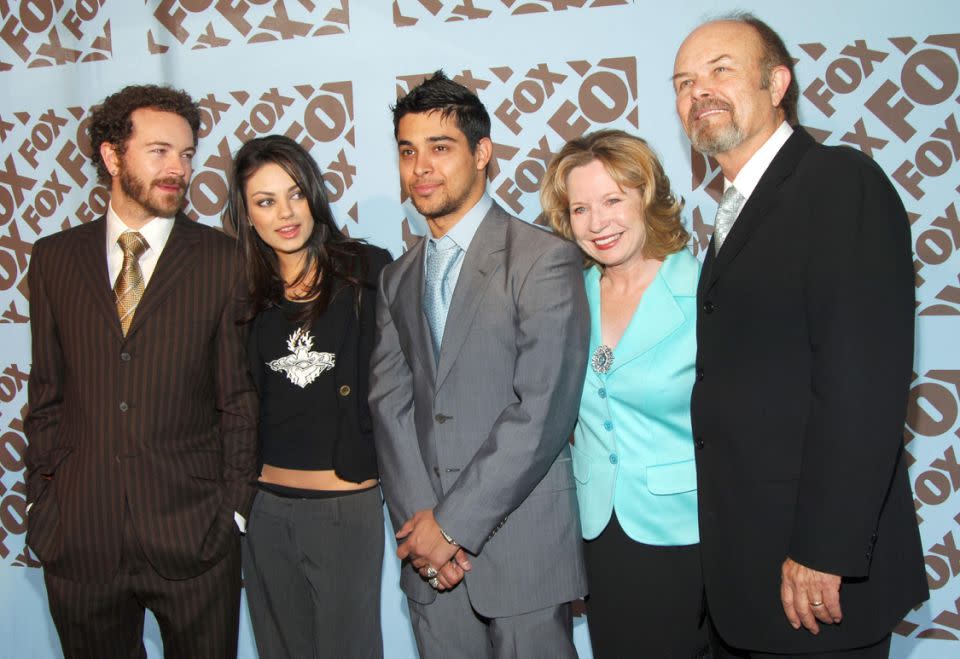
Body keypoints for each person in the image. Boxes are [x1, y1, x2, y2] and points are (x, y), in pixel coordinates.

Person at [672, 13, 928, 658]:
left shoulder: (839, 183)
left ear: (777, 82)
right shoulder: (734, 211)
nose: (698, 92)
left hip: (815, 581)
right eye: (683, 82)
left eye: (720, 71)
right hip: (745, 575)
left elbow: (862, 385)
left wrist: (824, 549)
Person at [24, 84, 258, 658]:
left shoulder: (221, 259)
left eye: (185, 154)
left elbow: (239, 400)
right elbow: (48, 390)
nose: (178, 169)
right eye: (159, 151)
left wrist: (231, 510)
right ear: (112, 156)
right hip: (81, 537)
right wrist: (44, 499)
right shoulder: (54, 258)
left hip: (194, 536)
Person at [369, 70, 589, 659]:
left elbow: (542, 409)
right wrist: (424, 531)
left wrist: (451, 527)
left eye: (440, 148)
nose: (421, 168)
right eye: (408, 151)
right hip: (429, 566)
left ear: (483, 153)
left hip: (521, 546)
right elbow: (390, 408)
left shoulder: (542, 258)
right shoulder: (396, 277)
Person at [541, 128, 708, 658]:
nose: (598, 222)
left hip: (687, 529)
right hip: (597, 534)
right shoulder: (569, 295)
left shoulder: (703, 292)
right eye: (581, 208)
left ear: (647, 198)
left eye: (613, 199)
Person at [223, 134, 390, 659]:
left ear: (315, 195)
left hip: (345, 505)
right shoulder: (240, 290)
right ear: (247, 215)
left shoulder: (366, 270)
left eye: (295, 194)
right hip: (264, 512)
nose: (285, 213)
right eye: (265, 202)